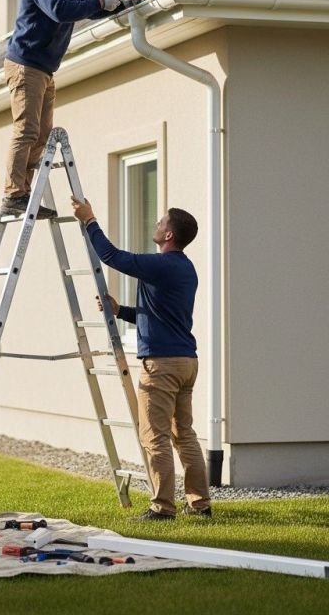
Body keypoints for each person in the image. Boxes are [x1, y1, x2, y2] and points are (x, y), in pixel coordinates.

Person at [71, 196, 212, 520]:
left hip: (161, 366)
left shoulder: (162, 264)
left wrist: (89, 220)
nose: (156, 224)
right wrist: (121, 311)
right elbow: (158, 315)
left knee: (156, 436)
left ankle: (162, 508)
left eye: (161, 222)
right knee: (184, 434)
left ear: (169, 236)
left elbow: (111, 256)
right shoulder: (184, 269)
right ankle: (200, 504)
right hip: (186, 362)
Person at [0, 0, 124, 219]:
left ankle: (23, 192)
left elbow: (87, 5)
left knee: (42, 136)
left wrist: (117, 3)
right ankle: (13, 194)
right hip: (26, 66)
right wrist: (100, 1)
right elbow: (60, 9)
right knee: (26, 130)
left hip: (44, 69)